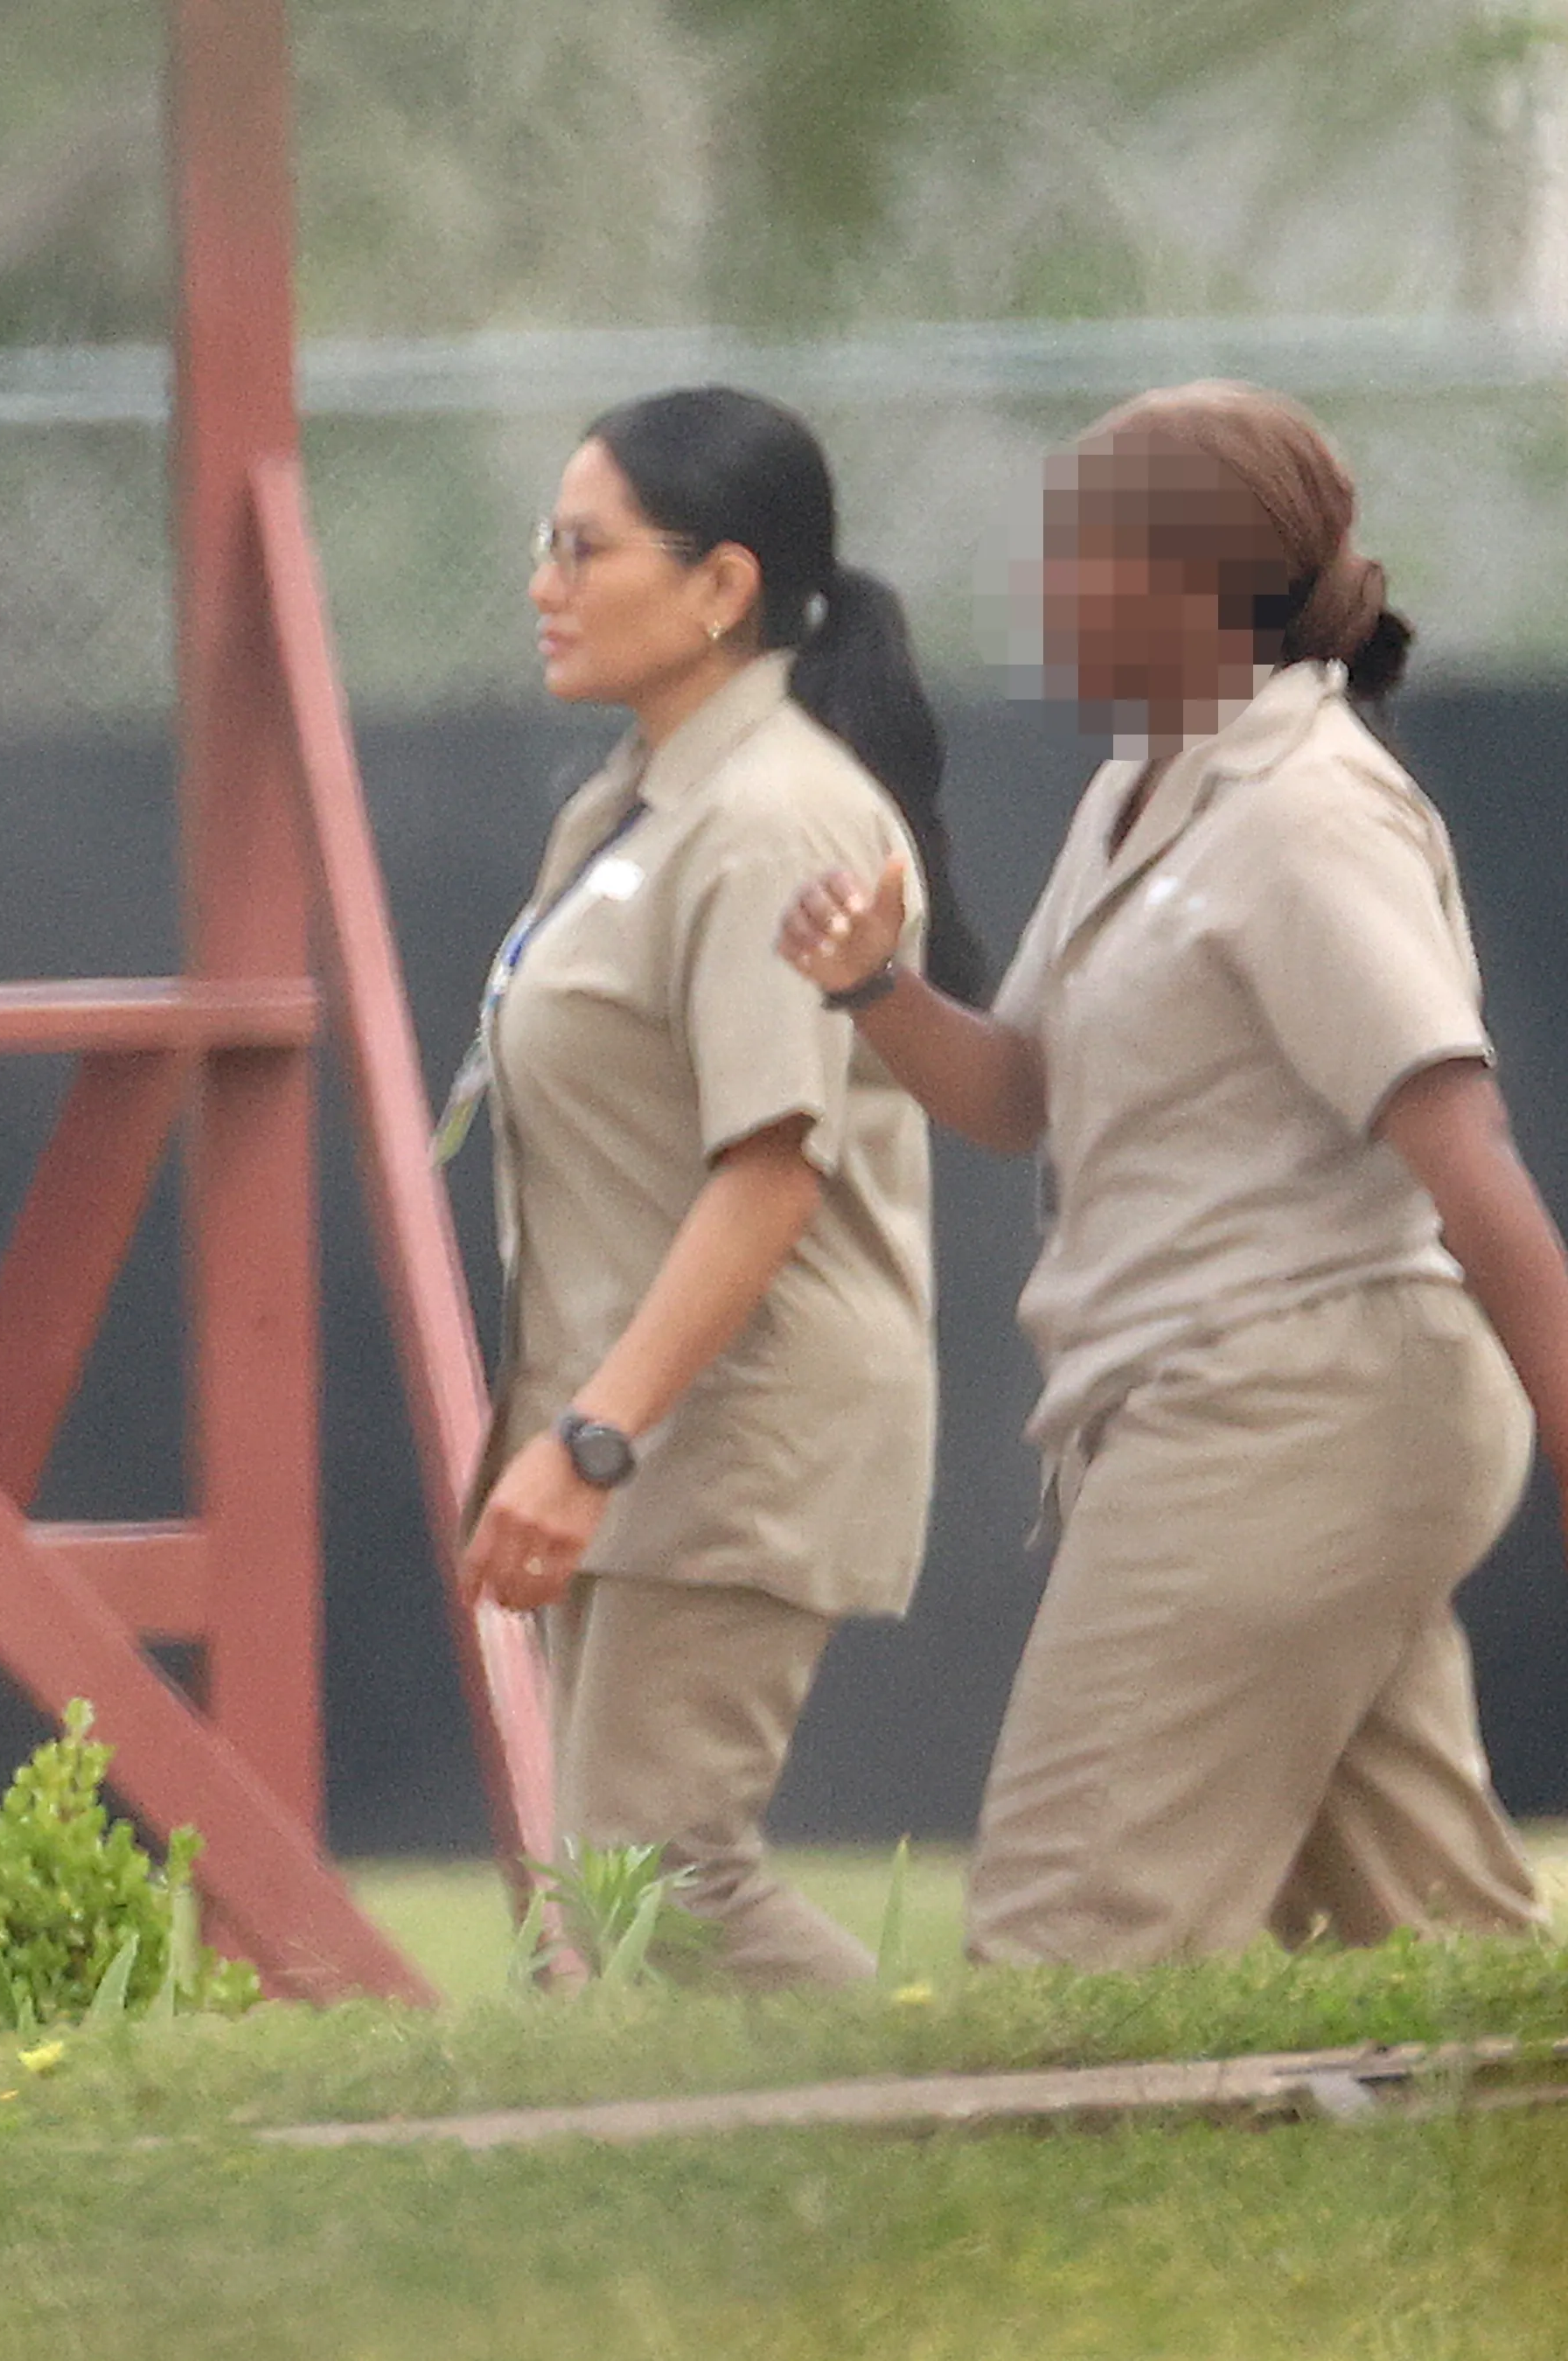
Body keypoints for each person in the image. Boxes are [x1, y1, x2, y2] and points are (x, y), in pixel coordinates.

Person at [779, 379, 1568, 1968]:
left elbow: (1463, 1150)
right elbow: (1018, 1097)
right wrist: (878, 990)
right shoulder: (1138, 794)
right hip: (1223, 1411)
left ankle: (1035, 2218)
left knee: (1073, 1932)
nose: (1039, 596)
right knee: (1426, 1951)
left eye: (1074, 560)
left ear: (1195, 587)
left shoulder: (1304, 811)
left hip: (1299, 1410)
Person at [455, 385, 983, 1985]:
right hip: (629, 1414)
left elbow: (772, 1171)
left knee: (656, 1885)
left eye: (582, 547)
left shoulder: (776, 817)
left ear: (722, 585)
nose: (545, 582)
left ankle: (938, 2153)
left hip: (732, 1414)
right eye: (544, 546)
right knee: (599, 1915)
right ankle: (631, 2214)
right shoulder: (628, 806)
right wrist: (565, 1428)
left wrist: (591, 1443)